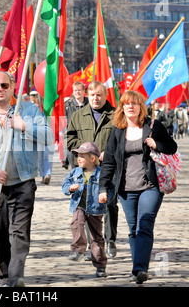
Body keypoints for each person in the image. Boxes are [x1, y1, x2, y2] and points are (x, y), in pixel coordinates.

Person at [0, 70, 53, 287]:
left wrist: (24, 126)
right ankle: (5, 274)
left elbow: (48, 137)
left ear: (12, 86)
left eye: (4, 85)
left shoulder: (29, 110)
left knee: (19, 233)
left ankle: (15, 277)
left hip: (23, 182)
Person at [98, 90, 177, 284]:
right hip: (125, 188)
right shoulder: (117, 130)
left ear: (141, 106)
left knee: (145, 224)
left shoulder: (153, 126)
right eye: (126, 104)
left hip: (150, 185)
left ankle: (140, 268)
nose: (130, 107)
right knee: (133, 229)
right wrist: (103, 188)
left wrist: (156, 144)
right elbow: (108, 161)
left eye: (134, 103)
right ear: (122, 108)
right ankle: (138, 268)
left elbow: (172, 147)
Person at [66, 80, 118, 259]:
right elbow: (70, 139)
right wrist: (84, 152)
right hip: (87, 170)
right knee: (89, 206)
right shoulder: (78, 116)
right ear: (88, 95)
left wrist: (108, 153)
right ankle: (93, 246)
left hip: (109, 167)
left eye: (99, 94)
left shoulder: (115, 115)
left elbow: (120, 141)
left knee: (109, 204)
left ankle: (110, 240)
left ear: (105, 96)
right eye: (93, 94)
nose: (95, 98)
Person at [62, 142, 113, 277]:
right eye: (77, 156)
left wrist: (106, 195)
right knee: (76, 223)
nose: (78, 159)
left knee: (96, 238)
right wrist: (69, 188)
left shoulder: (101, 174)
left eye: (82, 156)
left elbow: (111, 188)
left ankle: (100, 265)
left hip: (96, 209)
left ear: (92, 159)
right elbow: (65, 184)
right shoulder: (75, 172)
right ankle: (78, 250)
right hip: (79, 205)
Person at [63, 81, 89, 170]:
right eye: (75, 90)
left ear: (83, 91)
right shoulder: (67, 105)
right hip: (72, 134)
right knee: (72, 155)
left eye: (79, 90)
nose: (77, 92)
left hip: (86, 133)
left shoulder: (89, 104)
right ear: (73, 92)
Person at [30, 90, 53, 184]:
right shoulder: (32, 108)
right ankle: (43, 175)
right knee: (40, 158)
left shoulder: (48, 107)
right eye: (33, 96)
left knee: (47, 156)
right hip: (37, 134)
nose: (35, 97)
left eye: (36, 95)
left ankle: (47, 174)